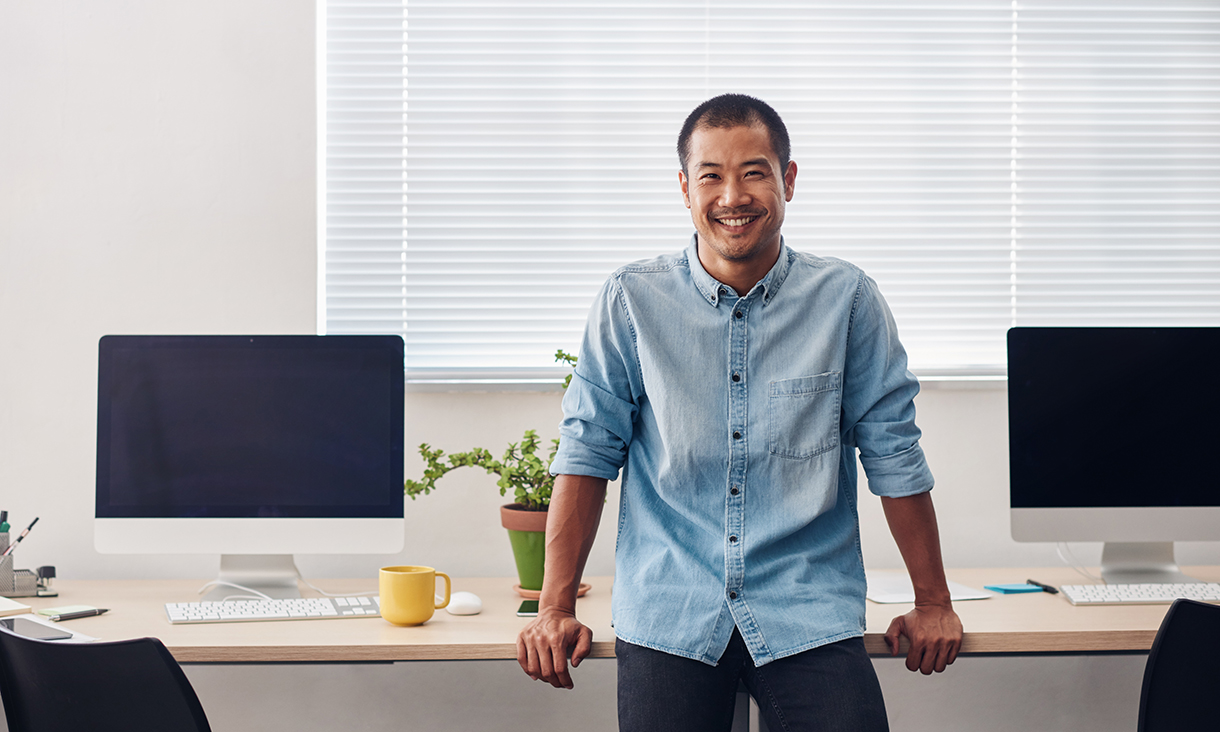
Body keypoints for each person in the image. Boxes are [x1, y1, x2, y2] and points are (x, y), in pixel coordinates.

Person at [516, 94, 962, 732]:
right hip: (671, 610)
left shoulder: (848, 301)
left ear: (788, 180)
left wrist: (933, 602)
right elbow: (588, 453)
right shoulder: (630, 301)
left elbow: (893, 454)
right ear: (684, 187)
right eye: (711, 176)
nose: (733, 196)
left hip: (806, 607)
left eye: (754, 172)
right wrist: (553, 607)